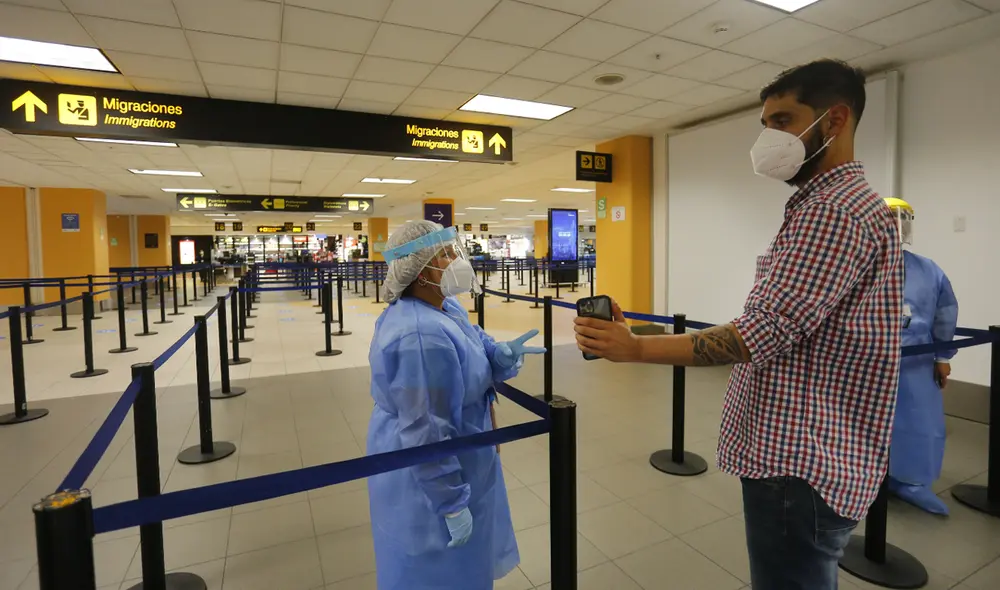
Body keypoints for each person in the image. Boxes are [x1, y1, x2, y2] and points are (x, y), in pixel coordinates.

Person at [573, 59, 903, 590]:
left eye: (783, 120)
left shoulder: (834, 211)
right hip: (813, 454)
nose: (768, 137)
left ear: (836, 120)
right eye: (765, 123)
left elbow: (761, 332)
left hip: (801, 460)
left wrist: (634, 349)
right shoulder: (829, 206)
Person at [367, 220, 545, 590]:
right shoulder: (421, 335)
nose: (456, 261)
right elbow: (425, 429)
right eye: (445, 255)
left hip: (465, 451)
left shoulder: (445, 308)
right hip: (429, 476)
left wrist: (499, 355)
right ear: (418, 271)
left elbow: (475, 342)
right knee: (435, 570)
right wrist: (450, 501)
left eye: (455, 251)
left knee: (465, 568)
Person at [884, 197, 959, 515]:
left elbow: (945, 312)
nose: (899, 226)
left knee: (919, 421)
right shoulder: (854, 267)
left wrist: (942, 356)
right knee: (861, 423)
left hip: (916, 363)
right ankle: (860, 477)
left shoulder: (928, 270)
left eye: (904, 219)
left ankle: (911, 482)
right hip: (866, 363)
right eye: (891, 219)